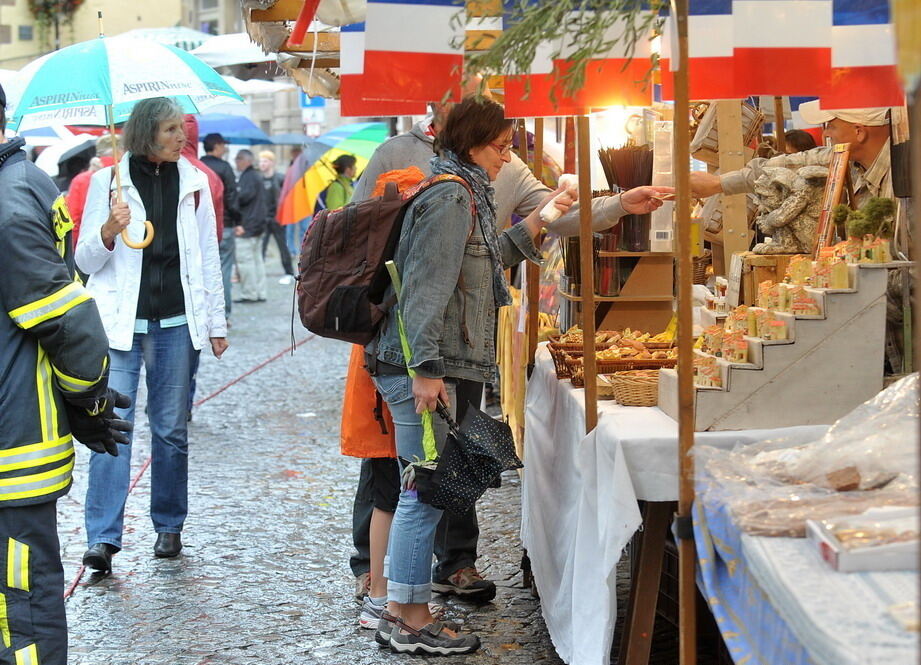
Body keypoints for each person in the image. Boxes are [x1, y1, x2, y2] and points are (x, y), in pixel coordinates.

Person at [367, 97, 669, 655]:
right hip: (429, 367)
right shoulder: (453, 196)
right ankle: (405, 617)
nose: (508, 159)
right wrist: (425, 371)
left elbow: (492, 255)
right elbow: (428, 288)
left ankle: (405, 610)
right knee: (422, 491)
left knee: (424, 487)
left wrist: (551, 213)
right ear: (472, 143)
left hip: (440, 363)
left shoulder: (465, 192)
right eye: (502, 147)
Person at [0, 82, 131, 664]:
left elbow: (69, 323)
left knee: (21, 606)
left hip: (12, 449)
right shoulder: (21, 182)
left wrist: (89, 402)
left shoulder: (6, 204)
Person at [76, 97, 228, 570]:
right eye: (169, 130)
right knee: (111, 431)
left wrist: (217, 323)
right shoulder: (108, 182)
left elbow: (206, 255)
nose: (180, 137)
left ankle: (168, 525)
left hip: (177, 325)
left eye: (180, 128)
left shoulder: (194, 181)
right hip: (120, 327)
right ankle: (103, 538)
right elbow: (83, 262)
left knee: (170, 431)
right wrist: (106, 230)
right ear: (145, 133)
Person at [690, 101, 894, 206]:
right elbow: (784, 166)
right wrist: (718, 183)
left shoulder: (906, 183)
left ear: (859, 132)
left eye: (831, 126)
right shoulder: (842, 159)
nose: (825, 133)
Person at [182, 116, 226, 422]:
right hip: (196, 271)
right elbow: (215, 233)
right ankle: (182, 402)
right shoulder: (207, 174)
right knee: (187, 347)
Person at [201, 132, 240, 319]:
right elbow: (232, 197)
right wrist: (238, 220)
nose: (225, 148)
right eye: (223, 145)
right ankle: (222, 314)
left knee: (201, 269)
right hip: (224, 224)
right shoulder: (225, 168)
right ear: (216, 146)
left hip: (201, 225)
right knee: (224, 269)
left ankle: (204, 312)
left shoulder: (197, 166)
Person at [66, 132, 121, 246]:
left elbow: (73, 221)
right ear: (121, 151)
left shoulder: (81, 180)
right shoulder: (127, 175)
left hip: (90, 246)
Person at [233, 149, 268, 303]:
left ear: (246, 160)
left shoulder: (248, 176)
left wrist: (233, 195)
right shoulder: (256, 175)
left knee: (245, 260)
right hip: (258, 223)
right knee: (256, 259)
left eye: (238, 159)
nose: (236, 162)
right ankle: (260, 292)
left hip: (248, 224)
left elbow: (243, 197)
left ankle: (250, 293)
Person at [258, 150, 295, 283]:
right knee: (260, 246)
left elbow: (287, 197)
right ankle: (259, 272)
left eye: (265, 161)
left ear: (272, 163)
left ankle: (289, 273)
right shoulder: (258, 178)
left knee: (282, 246)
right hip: (262, 218)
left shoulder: (280, 178)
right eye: (261, 161)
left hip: (278, 218)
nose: (262, 164)